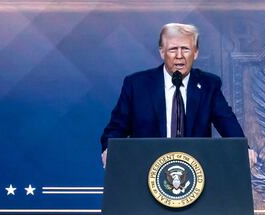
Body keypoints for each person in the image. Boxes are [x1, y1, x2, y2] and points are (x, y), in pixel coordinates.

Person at [99, 23, 254, 168]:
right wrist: (109, 149)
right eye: (173, 49)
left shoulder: (209, 85)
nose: (179, 56)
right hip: (146, 170)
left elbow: (227, 122)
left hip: (195, 173)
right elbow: (116, 128)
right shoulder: (137, 85)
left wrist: (243, 149)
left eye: (185, 49)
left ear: (196, 53)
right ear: (162, 52)